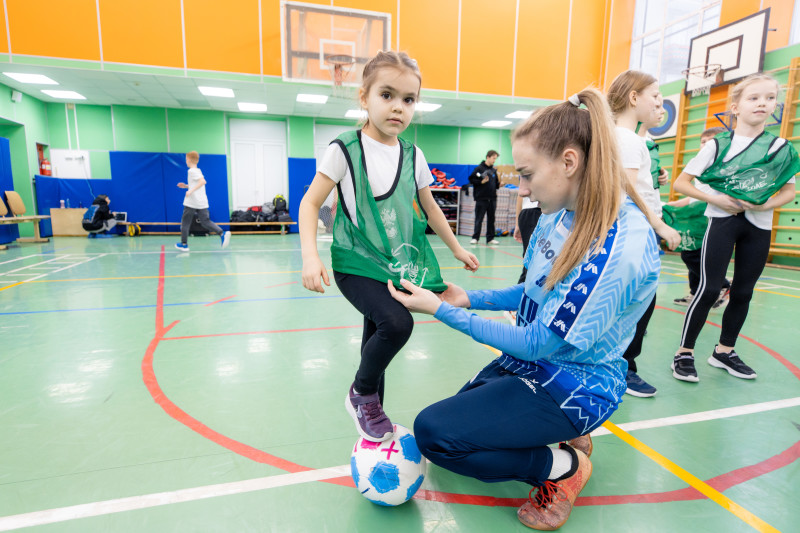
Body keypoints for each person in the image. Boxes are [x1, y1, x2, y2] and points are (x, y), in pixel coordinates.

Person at [388, 88, 660, 531]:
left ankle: (562, 468)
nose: (523, 187)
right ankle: (566, 435)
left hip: (577, 381)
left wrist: (442, 311)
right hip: (530, 366)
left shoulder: (620, 247)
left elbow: (538, 342)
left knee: (437, 435)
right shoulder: (559, 213)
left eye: (529, 174)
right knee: (459, 419)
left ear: (569, 162)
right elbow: (530, 292)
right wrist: (468, 297)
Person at [298, 50, 479, 442]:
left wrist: (456, 249)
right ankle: (361, 394)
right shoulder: (344, 149)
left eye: (409, 99)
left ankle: (370, 412)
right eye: (387, 95)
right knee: (397, 324)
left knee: (375, 334)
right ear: (364, 97)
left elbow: (430, 208)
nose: (398, 107)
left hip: (393, 265)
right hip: (354, 263)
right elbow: (310, 203)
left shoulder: (413, 155)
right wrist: (310, 257)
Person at [670, 74, 799, 382]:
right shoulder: (718, 145)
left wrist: (766, 205)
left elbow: (789, 191)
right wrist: (718, 198)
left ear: (775, 106)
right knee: (710, 288)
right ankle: (684, 353)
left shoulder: (780, 147)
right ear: (735, 107)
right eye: (753, 98)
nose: (762, 103)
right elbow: (681, 183)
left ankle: (724, 351)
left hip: (759, 226)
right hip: (722, 222)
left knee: (743, 292)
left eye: (769, 98)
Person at [608, 70, 681, 398]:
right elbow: (626, 187)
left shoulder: (623, 136)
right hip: (636, 232)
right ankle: (623, 368)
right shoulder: (627, 138)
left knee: (629, 304)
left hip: (630, 231)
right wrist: (658, 223)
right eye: (655, 94)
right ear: (633, 97)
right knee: (639, 305)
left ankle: (617, 364)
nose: (660, 101)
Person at [665, 126, 731, 308]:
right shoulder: (699, 166)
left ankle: (722, 285)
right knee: (690, 250)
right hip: (695, 217)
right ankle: (695, 292)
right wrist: (675, 204)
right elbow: (695, 194)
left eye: (712, 141)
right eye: (703, 141)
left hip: (711, 218)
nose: (706, 145)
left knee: (692, 255)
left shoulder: (724, 167)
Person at [175, 151, 231, 252]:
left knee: (185, 223)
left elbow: (202, 182)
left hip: (192, 201)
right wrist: (186, 186)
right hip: (201, 201)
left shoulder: (191, 171)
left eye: (186, 159)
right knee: (205, 222)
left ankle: (184, 244)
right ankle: (222, 233)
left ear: (188, 159)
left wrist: (190, 191)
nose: (186, 161)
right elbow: (198, 182)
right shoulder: (198, 170)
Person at [469, 150, 501, 245]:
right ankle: (475, 238)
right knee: (479, 219)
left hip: (492, 199)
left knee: (491, 219)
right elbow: (471, 179)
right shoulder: (479, 169)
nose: (494, 160)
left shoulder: (493, 170)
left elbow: (496, 184)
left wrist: (500, 184)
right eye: (493, 158)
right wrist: (480, 182)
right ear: (488, 157)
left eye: (496, 158)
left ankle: (490, 238)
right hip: (481, 198)